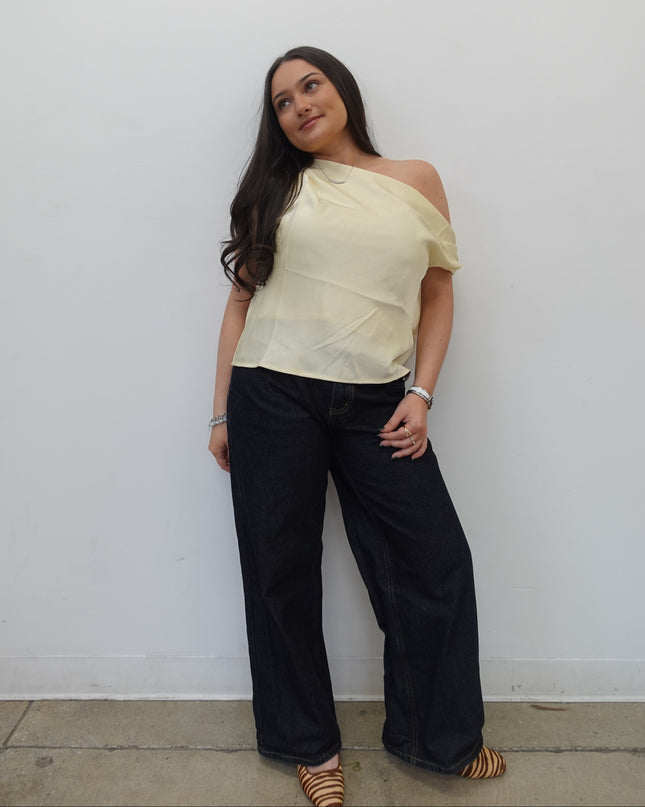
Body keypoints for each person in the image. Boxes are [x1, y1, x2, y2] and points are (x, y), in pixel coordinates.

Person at [209, 45, 506, 807]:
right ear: (278, 124)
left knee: (433, 562)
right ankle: (307, 745)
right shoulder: (276, 187)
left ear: (341, 89)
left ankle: (438, 737)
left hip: (377, 400)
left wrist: (423, 392)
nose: (300, 104)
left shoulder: (415, 179)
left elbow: (437, 293)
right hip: (272, 393)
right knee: (278, 570)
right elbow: (241, 303)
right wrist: (220, 412)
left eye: (310, 85)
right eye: (282, 101)